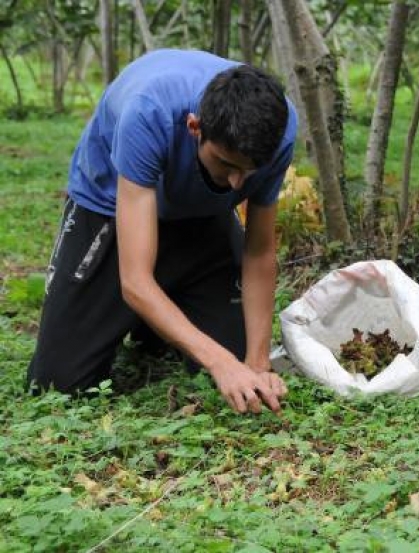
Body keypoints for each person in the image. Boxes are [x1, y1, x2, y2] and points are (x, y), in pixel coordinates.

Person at [27, 49, 298, 414]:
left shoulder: (278, 131)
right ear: (195, 127)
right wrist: (221, 364)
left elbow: (260, 252)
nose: (237, 183)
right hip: (111, 203)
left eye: (249, 171)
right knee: (56, 384)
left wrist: (256, 364)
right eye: (226, 164)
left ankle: (157, 322)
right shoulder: (148, 113)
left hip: (200, 210)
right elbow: (135, 280)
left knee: (238, 358)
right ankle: (140, 316)